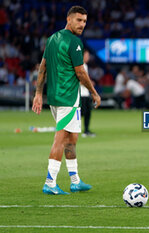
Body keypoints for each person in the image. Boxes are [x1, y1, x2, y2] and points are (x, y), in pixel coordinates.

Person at [32, 6, 101, 195]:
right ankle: (50, 182)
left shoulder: (52, 39)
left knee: (72, 138)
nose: (82, 25)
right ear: (68, 19)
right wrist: (94, 92)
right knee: (61, 139)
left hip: (57, 97)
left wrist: (39, 93)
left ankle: (75, 180)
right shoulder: (74, 42)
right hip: (67, 98)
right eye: (79, 20)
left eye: (85, 21)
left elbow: (43, 67)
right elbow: (80, 72)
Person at [80, 50, 96, 137]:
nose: (88, 57)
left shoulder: (85, 66)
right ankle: (71, 130)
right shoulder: (79, 66)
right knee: (82, 112)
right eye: (86, 55)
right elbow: (80, 80)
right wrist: (89, 83)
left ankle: (86, 130)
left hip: (85, 93)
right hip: (80, 94)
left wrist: (89, 82)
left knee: (87, 113)